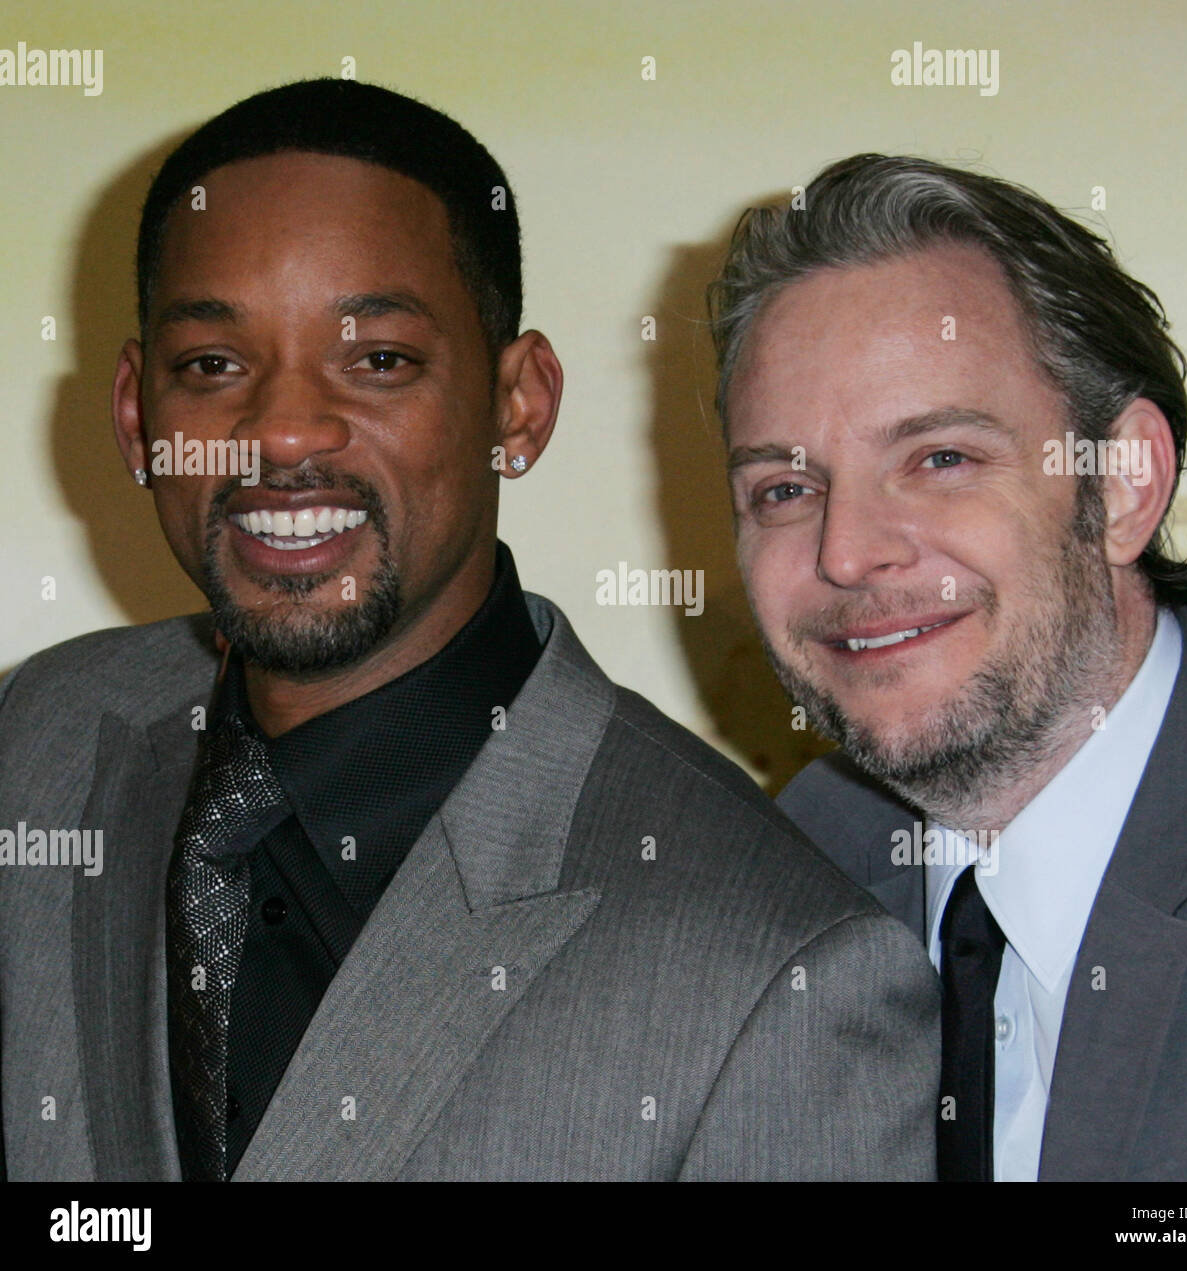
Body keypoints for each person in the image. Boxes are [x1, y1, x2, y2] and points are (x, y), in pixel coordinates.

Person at [0, 87, 938, 1182]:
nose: (285, 428)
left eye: (379, 360)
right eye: (213, 366)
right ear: (134, 417)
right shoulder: (41, 738)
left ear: (518, 405)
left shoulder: (778, 972)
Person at [709, 154, 1187, 1182]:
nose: (847, 551)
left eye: (939, 458)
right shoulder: (748, 894)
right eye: (784, 488)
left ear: (1121, 484)